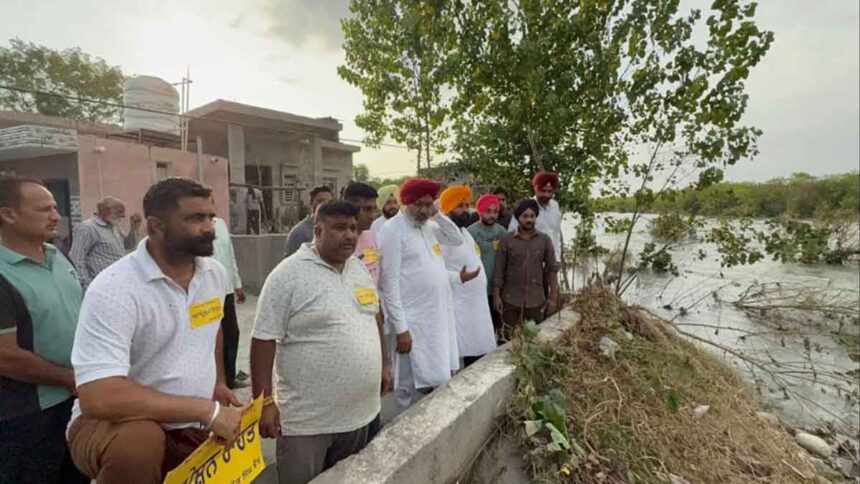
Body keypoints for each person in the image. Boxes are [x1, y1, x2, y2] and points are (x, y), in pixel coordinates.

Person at [67, 178, 243, 484]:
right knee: (138, 443)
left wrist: (217, 383)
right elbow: (99, 397)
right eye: (195, 219)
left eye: (210, 218)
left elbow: (210, 329)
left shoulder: (213, 273)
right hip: (113, 424)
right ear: (156, 226)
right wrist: (206, 410)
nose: (209, 228)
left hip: (189, 422)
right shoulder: (114, 288)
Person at [251, 201, 388, 484]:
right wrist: (264, 402)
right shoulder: (287, 275)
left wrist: (384, 366)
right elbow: (263, 338)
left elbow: (375, 319)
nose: (349, 235)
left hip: (360, 414)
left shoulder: (359, 270)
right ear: (317, 230)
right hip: (308, 422)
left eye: (352, 228)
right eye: (339, 228)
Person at [0, 174, 89, 484]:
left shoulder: (57, 255)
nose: (56, 216)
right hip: (25, 414)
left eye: (55, 207)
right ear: (8, 214)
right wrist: (68, 378)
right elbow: (6, 356)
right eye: (44, 209)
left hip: (75, 401)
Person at [377, 178, 478, 414]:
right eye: (418, 205)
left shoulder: (429, 226)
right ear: (406, 202)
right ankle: (402, 423)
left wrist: (439, 214)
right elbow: (388, 283)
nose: (423, 210)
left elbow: (455, 238)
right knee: (407, 380)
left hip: (437, 315)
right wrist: (401, 328)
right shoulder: (392, 231)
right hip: (412, 319)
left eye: (427, 204)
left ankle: (429, 417)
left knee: (433, 373)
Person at [438, 186, 496, 367]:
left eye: (466, 205)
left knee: (478, 352)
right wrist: (458, 277)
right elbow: (437, 269)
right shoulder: (442, 235)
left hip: (476, 304)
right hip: (459, 304)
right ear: (448, 209)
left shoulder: (464, 232)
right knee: (460, 354)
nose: (465, 210)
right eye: (460, 206)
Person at [493, 199, 560, 341]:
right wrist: (496, 295)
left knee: (534, 342)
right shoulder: (506, 240)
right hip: (510, 300)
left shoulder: (544, 240)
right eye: (525, 216)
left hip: (536, 301)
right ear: (518, 218)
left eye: (532, 216)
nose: (529, 220)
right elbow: (499, 270)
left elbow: (552, 270)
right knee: (506, 342)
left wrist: (553, 298)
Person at [69, 196, 141, 289]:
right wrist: (86, 284)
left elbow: (128, 245)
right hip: (99, 285)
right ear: (105, 211)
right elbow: (76, 258)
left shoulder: (114, 226)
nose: (124, 216)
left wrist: (134, 228)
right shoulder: (88, 228)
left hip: (116, 283)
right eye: (119, 212)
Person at [211, 203, 247, 389]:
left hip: (226, 291)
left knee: (232, 334)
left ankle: (229, 380)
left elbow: (230, 255)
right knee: (212, 339)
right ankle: (215, 381)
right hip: (206, 294)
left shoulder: (221, 225)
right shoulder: (194, 231)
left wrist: (237, 284)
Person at [467, 194, 508, 336]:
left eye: (495, 212)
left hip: (497, 290)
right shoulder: (470, 233)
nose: (492, 215)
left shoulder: (502, 232)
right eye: (488, 211)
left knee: (499, 328)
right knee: (480, 329)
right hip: (478, 290)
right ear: (480, 211)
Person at [509, 172, 564, 262]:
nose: (546, 195)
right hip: (530, 261)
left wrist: (557, 258)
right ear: (536, 189)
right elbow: (512, 233)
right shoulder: (525, 207)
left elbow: (556, 234)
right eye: (543, 191)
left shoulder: (555, 206)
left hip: (551, 260)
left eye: (549, 191)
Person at [284, 185, 333, 258]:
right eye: (320, 201)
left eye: (329, 201)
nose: (325, 204)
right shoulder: (299, 233)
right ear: (311, 202)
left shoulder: (337, 230)